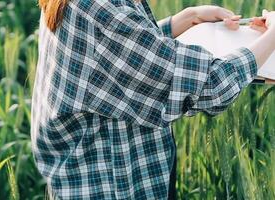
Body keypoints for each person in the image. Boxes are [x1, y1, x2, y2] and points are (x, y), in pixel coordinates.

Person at [31, 0, 275, 199]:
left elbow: (118, 49)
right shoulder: (98, 10)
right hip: (113, 187)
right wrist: (271, 37)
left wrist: (184, 20)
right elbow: (210, 84)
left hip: (108, 174)